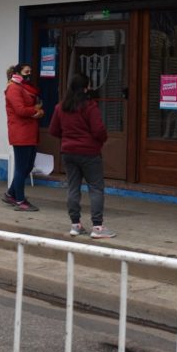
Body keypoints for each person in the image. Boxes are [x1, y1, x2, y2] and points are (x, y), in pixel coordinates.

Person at [49, 74, 114, 238]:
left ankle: (75, 225)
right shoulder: (90, 107)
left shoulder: (61, 107)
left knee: (73, 187)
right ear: (86, 88)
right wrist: (100, 141)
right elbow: (99, 130)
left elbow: (54, 131)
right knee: (96, 188)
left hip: (68, 153)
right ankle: (98, 227)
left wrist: (68, 138)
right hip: (89, 153)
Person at [4, 63, 44, 212]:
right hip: (20, 132)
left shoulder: (22, 88)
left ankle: (10, 193)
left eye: (30, 71)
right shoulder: (13, 88)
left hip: (29, 131)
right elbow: (20, 110)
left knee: (28, 166)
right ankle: (20, 200)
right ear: (17, 72)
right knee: (21, 168)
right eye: (26, 72)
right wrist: (35, 110)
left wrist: (37, 112)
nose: (29, 74)